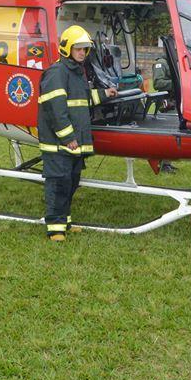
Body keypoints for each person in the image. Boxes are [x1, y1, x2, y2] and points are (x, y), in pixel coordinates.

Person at [37, 25, 117, 240]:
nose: (82, 52)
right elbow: (56, 109)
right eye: (78, 48)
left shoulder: (76, 71)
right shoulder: (57, 72)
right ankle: (55, 228)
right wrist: (68, 137)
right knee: (58, 183)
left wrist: (105, 94)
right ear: (67, 49)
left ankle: (65, 222)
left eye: (85, 49)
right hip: (59, 144)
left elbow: (82, 100)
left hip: (73, 142)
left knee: (71, 183)